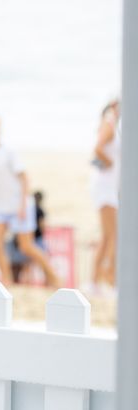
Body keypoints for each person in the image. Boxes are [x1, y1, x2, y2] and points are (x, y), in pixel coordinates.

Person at [0, 115, 59, 288]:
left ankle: (54, 277)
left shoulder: (8, 152)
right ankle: (7, 280)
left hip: (18, 205)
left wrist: (22, 205)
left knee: (26, 246)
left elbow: (24, 178)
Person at [90, 98, 121, 291]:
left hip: (107, 186)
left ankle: (96, 280)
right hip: (105, 186)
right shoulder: (109, 123)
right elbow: (98, 148)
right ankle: (111, 280)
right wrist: (109, 163)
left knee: (107, 236)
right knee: (113, 235)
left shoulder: (111, 124)